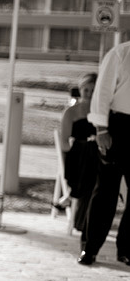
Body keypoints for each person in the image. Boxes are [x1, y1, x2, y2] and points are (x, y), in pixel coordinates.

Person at [77, 40, 130, 266]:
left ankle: (127, 249)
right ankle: (90, 248)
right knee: (106, 190)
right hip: (118, 126)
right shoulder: (121, 53)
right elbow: (102, 92)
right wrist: (101, 129)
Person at [60, 73, 98, 233]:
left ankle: (71, 194)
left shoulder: (101, 112)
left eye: (93, 91)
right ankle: (73, 194)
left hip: (95, 157)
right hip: (76, 157)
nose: (89, 94)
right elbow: (64, 142)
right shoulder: (71, 112)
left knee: (92, 151)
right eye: (86, 90)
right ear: (81, 90)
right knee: (84, 150)